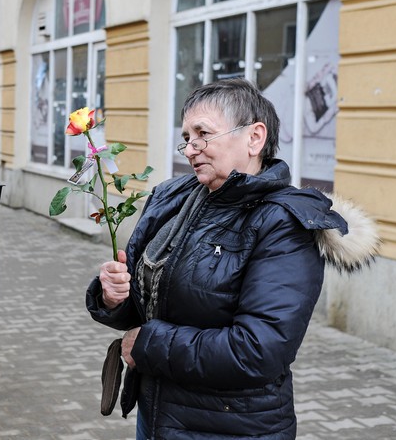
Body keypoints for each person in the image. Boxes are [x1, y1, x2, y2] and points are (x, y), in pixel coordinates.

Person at [86, 78, 378, 439]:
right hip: (159, 415)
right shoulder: (171, 197)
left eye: (203, 134)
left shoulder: (282, 223)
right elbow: (148, 303)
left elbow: (259, 350)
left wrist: (148, 343)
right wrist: (113, 296)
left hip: (229, 426)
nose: (190, 149)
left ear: (254, 138)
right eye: (187, 137)